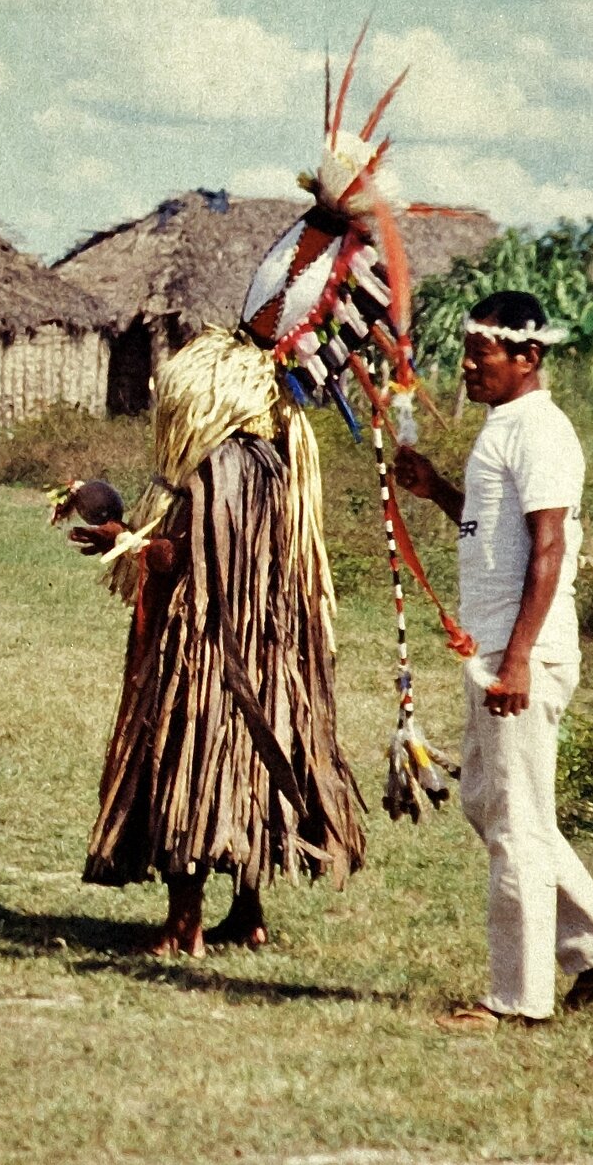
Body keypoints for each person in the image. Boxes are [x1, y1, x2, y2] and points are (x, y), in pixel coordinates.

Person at [70, 329, 367, 956]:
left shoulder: (220, 465)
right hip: (265, 647)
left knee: (186, 757)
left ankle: (184, 925)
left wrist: (126, 543)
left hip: (208, 647)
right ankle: (249, 913)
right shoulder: (269, 458)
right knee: (247, 767)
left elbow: (192, 556)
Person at [394, 291, 593, 1030]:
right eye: (466, 352)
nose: (467, 367)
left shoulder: (541, 430)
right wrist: (436, 488)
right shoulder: (505, 428)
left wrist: (521, 659)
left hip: (519, 650)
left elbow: (550, 548)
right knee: (492, 804)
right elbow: (490, 530)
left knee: (517, 827)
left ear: (528, 357)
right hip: (500, 644)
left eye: (482, 355)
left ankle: (518, 1000)